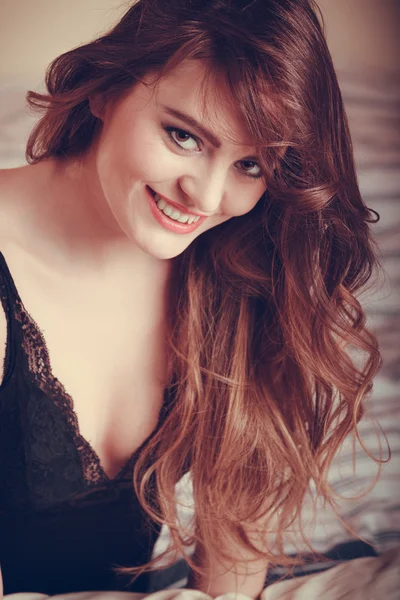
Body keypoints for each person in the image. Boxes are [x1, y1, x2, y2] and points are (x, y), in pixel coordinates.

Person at [0, 0, 382, 596]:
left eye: (251, 165)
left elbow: (233, 559)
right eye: (183, 136)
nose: (205, 196)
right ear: (105, 90)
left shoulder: (237, 263)